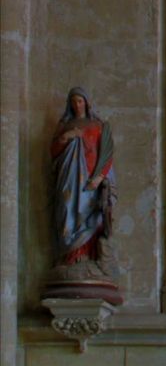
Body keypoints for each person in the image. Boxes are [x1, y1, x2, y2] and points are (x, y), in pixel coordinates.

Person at [49, 88, 121, 297]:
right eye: (73, 101)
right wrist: (66, 137)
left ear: (87, 103)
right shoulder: (65, 126)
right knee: (67, 212)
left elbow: (106, 155)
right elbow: (53, 152)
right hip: (68, 180)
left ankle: (87, 255)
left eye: (80, 101)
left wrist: (99, 177)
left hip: (90, 180)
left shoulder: (98, 126)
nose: (77, 105)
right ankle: (69, 256)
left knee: (90, 216)